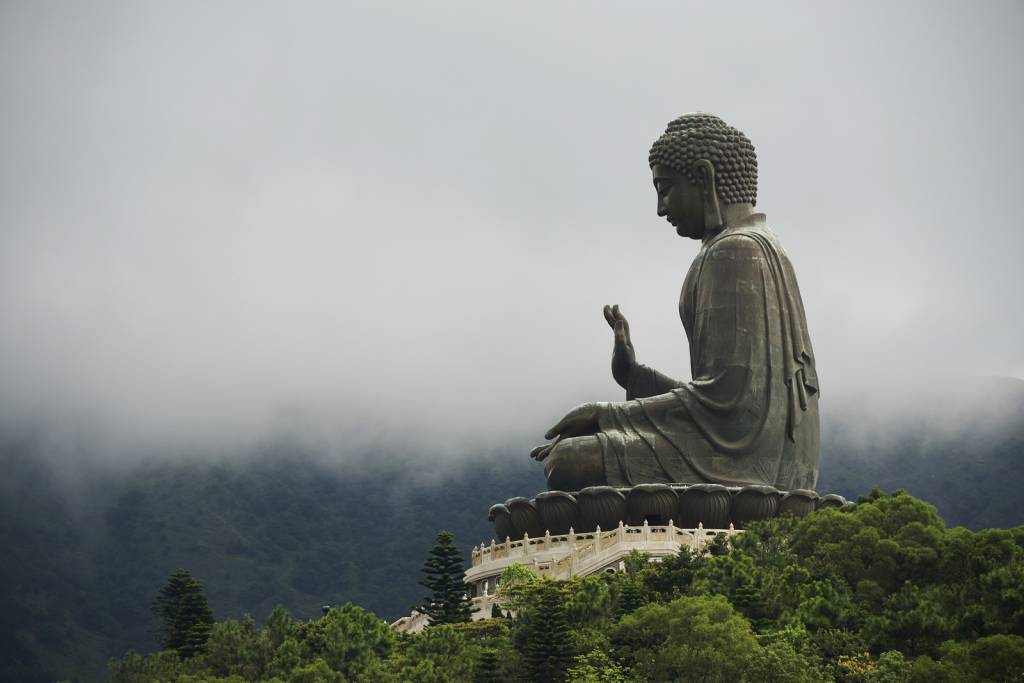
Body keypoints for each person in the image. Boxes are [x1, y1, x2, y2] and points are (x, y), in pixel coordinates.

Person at [531, 113, 820, 492]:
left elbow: (726, 407)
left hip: (743, 464)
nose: (660, 208)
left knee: (567, 461)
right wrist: (634, 374)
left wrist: (606, 415)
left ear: (704, 177)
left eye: (665, 189)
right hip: (775, 463)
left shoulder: (732, 251)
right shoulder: (766, 247)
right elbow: (722, 397)